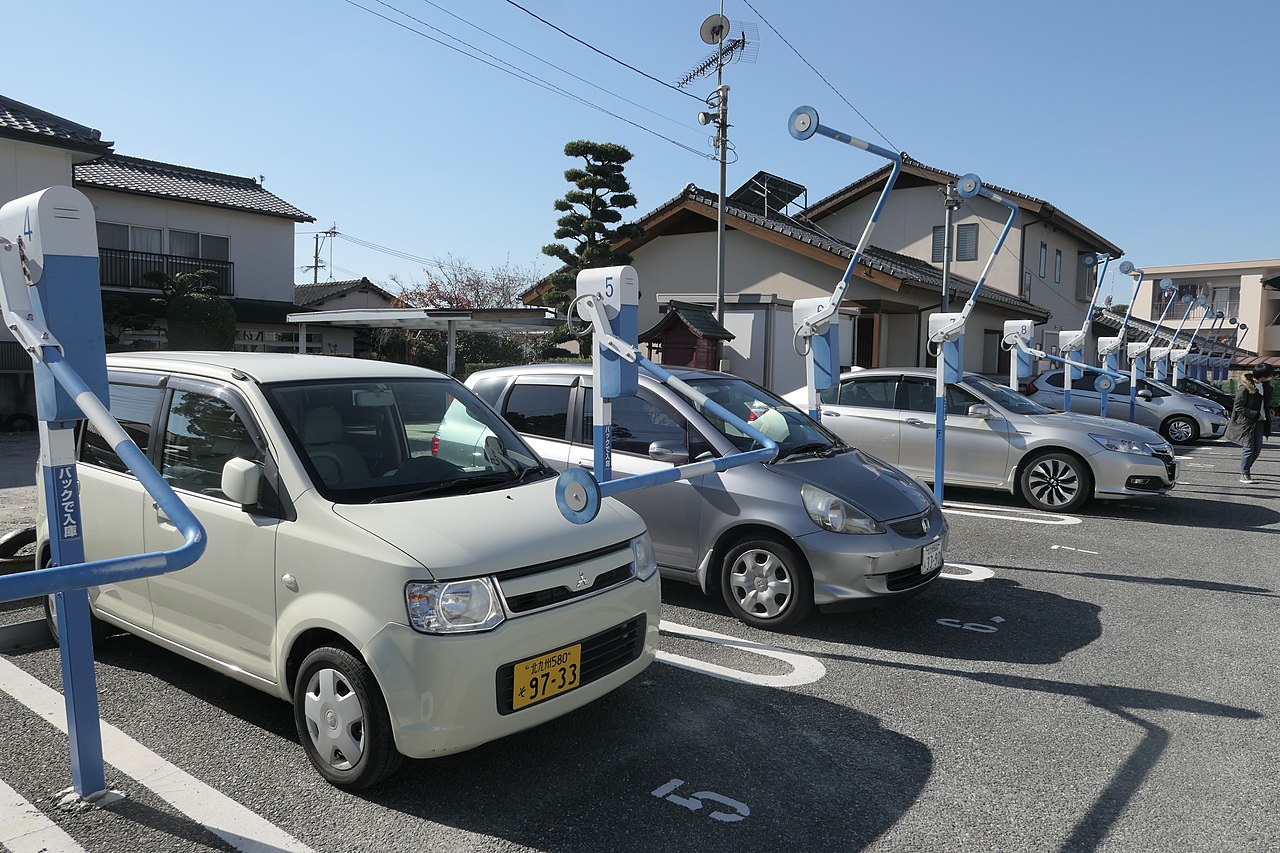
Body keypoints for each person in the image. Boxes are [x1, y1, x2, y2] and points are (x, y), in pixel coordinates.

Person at [1226, 363, 1274, 483]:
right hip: (1247, 422)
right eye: (1269, 375)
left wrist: (1270, 410)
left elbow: (1264, 403)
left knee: (1257, 449)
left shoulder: (1265, 386)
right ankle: (1244, 473)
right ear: (1263, 375)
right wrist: (1255, 415)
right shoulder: (1245, 387)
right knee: (1249, 448)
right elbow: (1238, 406)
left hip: (1261, 421)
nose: (1271, 377)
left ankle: (1245, 469)